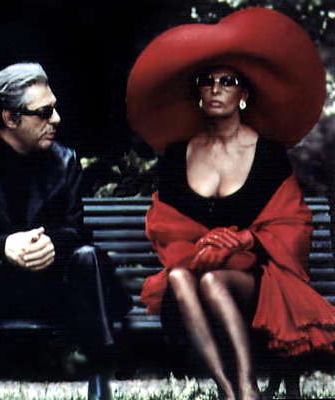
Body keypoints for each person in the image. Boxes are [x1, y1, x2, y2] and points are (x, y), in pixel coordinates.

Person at [126, 7, 335, 400]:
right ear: (198, 94)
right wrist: (206, 245)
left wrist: (246, 241)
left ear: (244, 95)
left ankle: (246, 386)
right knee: (180, 278)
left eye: (227, 81)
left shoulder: (268, 154)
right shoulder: (178, 155)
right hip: (190, 284)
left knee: (212, 282)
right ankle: (229, 388)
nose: (215, 89)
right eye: (206, 82)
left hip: (254, 285)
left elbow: (292, 225)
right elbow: (165, 227)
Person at [0, 62, 131, 400]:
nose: (56, 119)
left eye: (55, 108)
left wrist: (50, 244)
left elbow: (75, 230)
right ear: (10, 118)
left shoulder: (64, 159)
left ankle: (100, 382)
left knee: (87, 256)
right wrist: (2, 245)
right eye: (45, 112)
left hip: (48, 289)